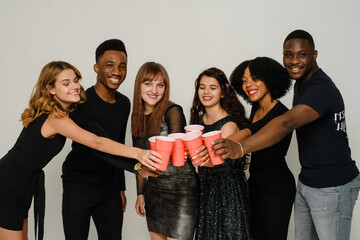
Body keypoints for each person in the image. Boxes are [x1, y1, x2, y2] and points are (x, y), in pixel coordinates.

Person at [213, 30, 360, 240]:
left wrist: (240, 148)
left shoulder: (321, 88)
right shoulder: (302, 85)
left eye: (302, 55)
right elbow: (252, 129)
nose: (294, 61)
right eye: (288, 55)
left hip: (332, 186)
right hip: (307, 183)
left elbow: (285, 122)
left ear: (314, 55)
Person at [0, 61, 160, 240]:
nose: (75, 86)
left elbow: (100, 144)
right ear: (51, 89)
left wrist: (136, 167)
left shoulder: (63, 111)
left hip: (21, 180)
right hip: (10, 181)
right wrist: (138, 153)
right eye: (66, 83)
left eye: (76, 80)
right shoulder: (56, 118)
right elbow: (97, 143)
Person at [61, 39, 134, 240]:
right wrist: (137, 165)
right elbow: (99, 144)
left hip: (109, 184)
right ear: (96, 68)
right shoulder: (81, 100)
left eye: (122, 66)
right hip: (79, 184)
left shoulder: (124, 103)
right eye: (109, 65)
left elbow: (119, 142)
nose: (117, 72)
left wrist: (120, 187)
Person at [229, 57, 295, 239]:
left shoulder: (281, 114)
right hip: (255, 186)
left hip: (276, 190)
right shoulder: (256, 108)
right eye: (244, 81)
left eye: (255, 78)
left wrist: (224, 145)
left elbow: (251, 132)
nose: (248, 85)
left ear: (269, 79)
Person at [132, 62, 198, 240]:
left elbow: (178, 144)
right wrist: (140, 193)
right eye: (148, 84)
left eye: (160, 85)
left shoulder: (172, 110)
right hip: (155, 191)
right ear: (138, 85)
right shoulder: (136, 116)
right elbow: (139, 159)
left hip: (181, 190)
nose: (154, 90)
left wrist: (182, 147)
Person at [190, 67, 250, 240]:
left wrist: (192, 155)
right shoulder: (199, 120)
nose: (206, 92)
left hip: (228, 188)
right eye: (202, 87)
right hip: (207, 185)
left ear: (223, 92)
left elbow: (216, 160)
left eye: (212, 87)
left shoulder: (228, 125)